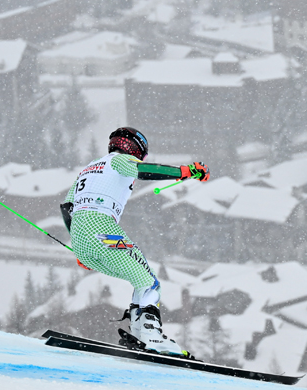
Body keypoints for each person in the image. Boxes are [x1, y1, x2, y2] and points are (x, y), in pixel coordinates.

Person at [61, 127, 209, 357]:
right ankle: (150, 334)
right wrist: (185, 171)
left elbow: (67, 206)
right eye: (141, 154)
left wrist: (80, 247)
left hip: (81, 235)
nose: (140, 158)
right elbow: (144, 170)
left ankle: (142, 330)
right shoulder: (120, 160)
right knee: (148, 280)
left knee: (139, 278)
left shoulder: (90, 167)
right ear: (135, 148)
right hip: (101, 228)